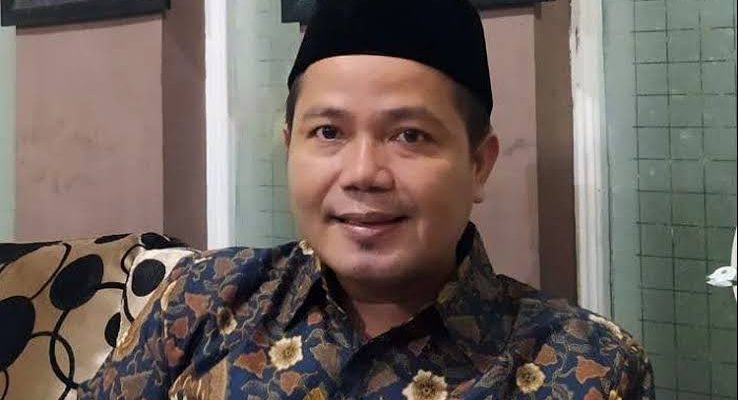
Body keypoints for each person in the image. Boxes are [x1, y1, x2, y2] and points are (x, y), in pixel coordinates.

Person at [79, 0, 654, 398]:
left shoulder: (585, 367)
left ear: (478, 165)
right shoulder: (201, 300)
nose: (362, 174)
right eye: (328, 132)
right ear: (289, 145)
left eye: (410, 136)